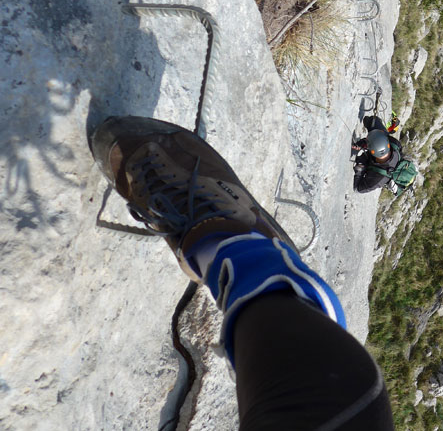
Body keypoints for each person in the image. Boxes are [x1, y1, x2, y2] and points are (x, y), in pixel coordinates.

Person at [89, 116, 394, 430]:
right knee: (339, 403)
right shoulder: (387, 146)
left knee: (328, 404)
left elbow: (361, 185)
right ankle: (242, 251)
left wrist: (360, 166)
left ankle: (234, 254)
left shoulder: (380, 167)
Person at [351, 114, 402, 194]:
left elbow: (357, 189)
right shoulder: (394, 143)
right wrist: (365, 142)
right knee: (371, 121)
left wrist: (360, 170)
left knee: (362, 159)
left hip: (376, 167)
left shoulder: (378, 179)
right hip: (377, 153)